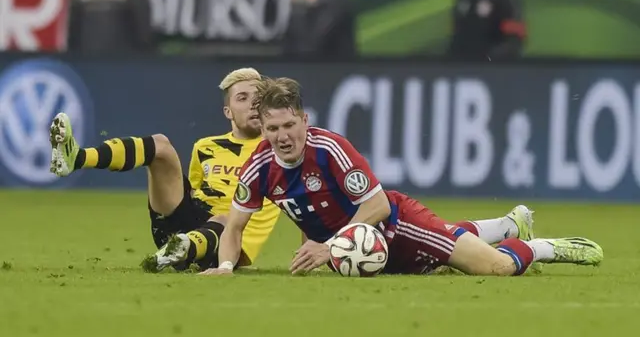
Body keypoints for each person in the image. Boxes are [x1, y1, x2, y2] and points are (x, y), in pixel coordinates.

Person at [200, 77, 603, 276]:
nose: (282, 137)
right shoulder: (259, 167)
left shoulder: (330, 150)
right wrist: (224, 268)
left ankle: (546, 247)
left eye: (289, 125)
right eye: (272, 130)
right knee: (435, 261)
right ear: (263, 129)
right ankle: (503, 223)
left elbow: (374, 205)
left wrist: (327, 248)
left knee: (495, 269)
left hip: (395, 225)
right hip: (359, 247)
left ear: (304, 120)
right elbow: (234, 227)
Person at [49, 68, 281, 272]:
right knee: (161, 145)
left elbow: (305, 201)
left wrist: (314, 244)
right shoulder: (205, 147)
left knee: (223, 218)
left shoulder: (278, 153)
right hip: (188, 227)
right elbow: (194, 190)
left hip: (229, 247)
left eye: (259, 98)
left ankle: (181, 249)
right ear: (227, 111)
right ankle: (76, 157)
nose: (253, 104)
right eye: (242, 98)